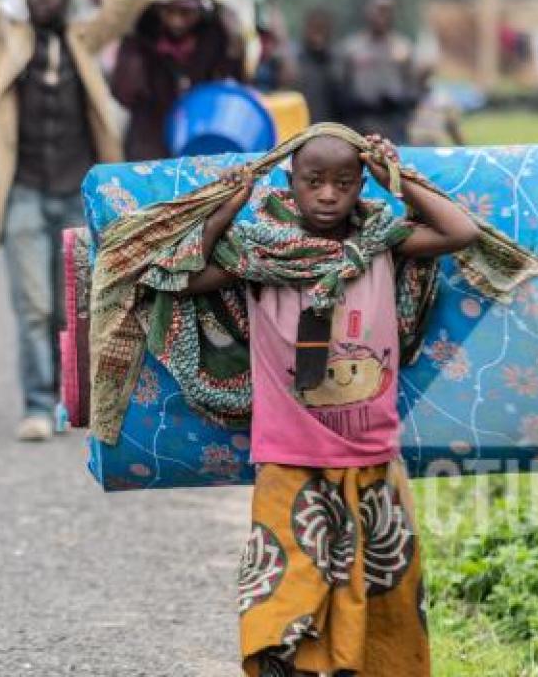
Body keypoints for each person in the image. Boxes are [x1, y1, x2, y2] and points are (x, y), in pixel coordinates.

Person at [179, 129, 479, 676]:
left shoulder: (382, 245)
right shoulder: (260, 255)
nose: (327, 196)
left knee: (376, 586)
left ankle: (350, 665)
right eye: (313, 182)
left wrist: (400, 177)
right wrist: (230, 206)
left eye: (343, 183)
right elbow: (189, 271)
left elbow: (461, 231)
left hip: (371, 453)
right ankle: (280, 661)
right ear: (290, 184)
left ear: (361, 185)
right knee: (283, 581)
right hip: (288, 453)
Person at [0, 0, 154, 442]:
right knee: (34, 305)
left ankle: (73, 402)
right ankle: (37, 405)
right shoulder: (5, 39)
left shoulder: (85, 40)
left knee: (77, 309)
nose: (44, 0)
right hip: (21, 192)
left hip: (76, 194)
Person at [112, 0, 248, 160]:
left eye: (186, 12)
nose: (177, 21)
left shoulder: (216, 36)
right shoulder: (141, 37)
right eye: (169, 11)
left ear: (202, 10)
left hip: (202, 142)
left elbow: (236, 80)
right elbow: (124, 94)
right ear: (157, 9)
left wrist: (233, 32)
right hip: (150, 145)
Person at [336, 0, 418, 143]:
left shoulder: (403, 48)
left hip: (393, 125)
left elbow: (412, 88)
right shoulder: (352, 48)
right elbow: (341, 86)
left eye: (387, 11)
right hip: (359, 124)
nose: (382, 16)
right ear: (368, 12)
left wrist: (400, 100)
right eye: (378, 10)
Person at [292, 8, 339, 123]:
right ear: (306, 30)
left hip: (328, 130)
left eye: (322, 29)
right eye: (314, 29)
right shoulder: (294, 63)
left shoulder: (337, 63)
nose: (318, 35)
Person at [407, 64, 465, 147]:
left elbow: (453, 127)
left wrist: (463, 148)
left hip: (432, 144)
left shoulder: (443, 99)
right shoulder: (409, 98)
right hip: (414, 145)